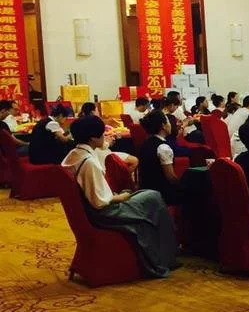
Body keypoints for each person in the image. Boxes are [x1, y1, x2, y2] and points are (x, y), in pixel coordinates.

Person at [62, 115, 178, 278]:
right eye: (102, 134)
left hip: (91, 209)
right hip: (105, 213)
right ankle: (165, 257)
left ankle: (163, 253)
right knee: (154, 198)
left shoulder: (74, 154)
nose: (105, 136)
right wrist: (122, 197)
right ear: (93, 138)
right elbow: (100, 202)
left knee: (149, 196)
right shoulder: (89, 162)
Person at [137, 110, 182, 205]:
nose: (170, 124)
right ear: (163, 125)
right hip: (161, 195)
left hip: (145, 193)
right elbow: (171, 178)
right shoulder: (163, 147)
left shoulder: (144, 144)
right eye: (168, 122)